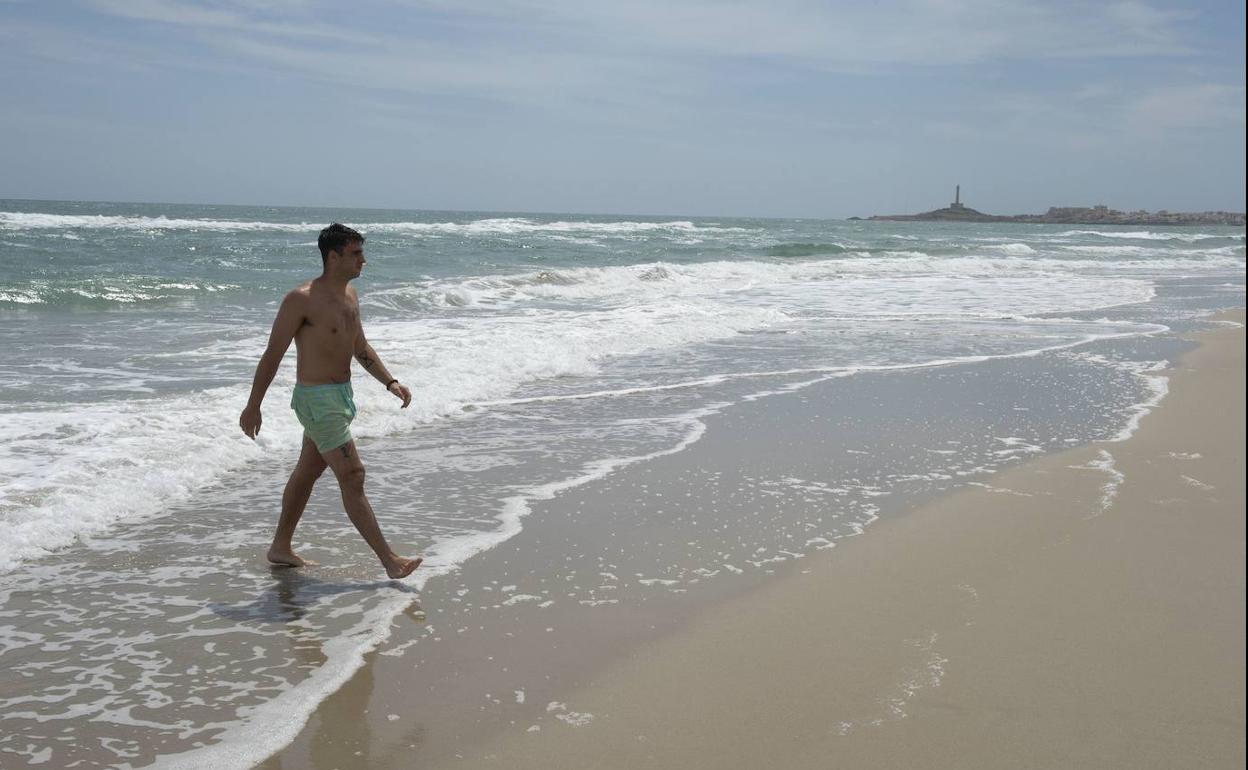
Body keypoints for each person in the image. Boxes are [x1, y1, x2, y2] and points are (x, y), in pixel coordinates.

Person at [239, 223, 421, 579]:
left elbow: (360, 346)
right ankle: (389, 560)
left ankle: (280, 547)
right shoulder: (301, 300)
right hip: (316, 401)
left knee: (308, 470)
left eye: (362, 253)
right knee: (353, 475)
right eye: (356, 254)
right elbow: (273, 354)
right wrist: (253, 404)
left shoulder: (350, 295)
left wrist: (391, 382)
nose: (363, 261)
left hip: (340, 397)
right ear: (333, 256)